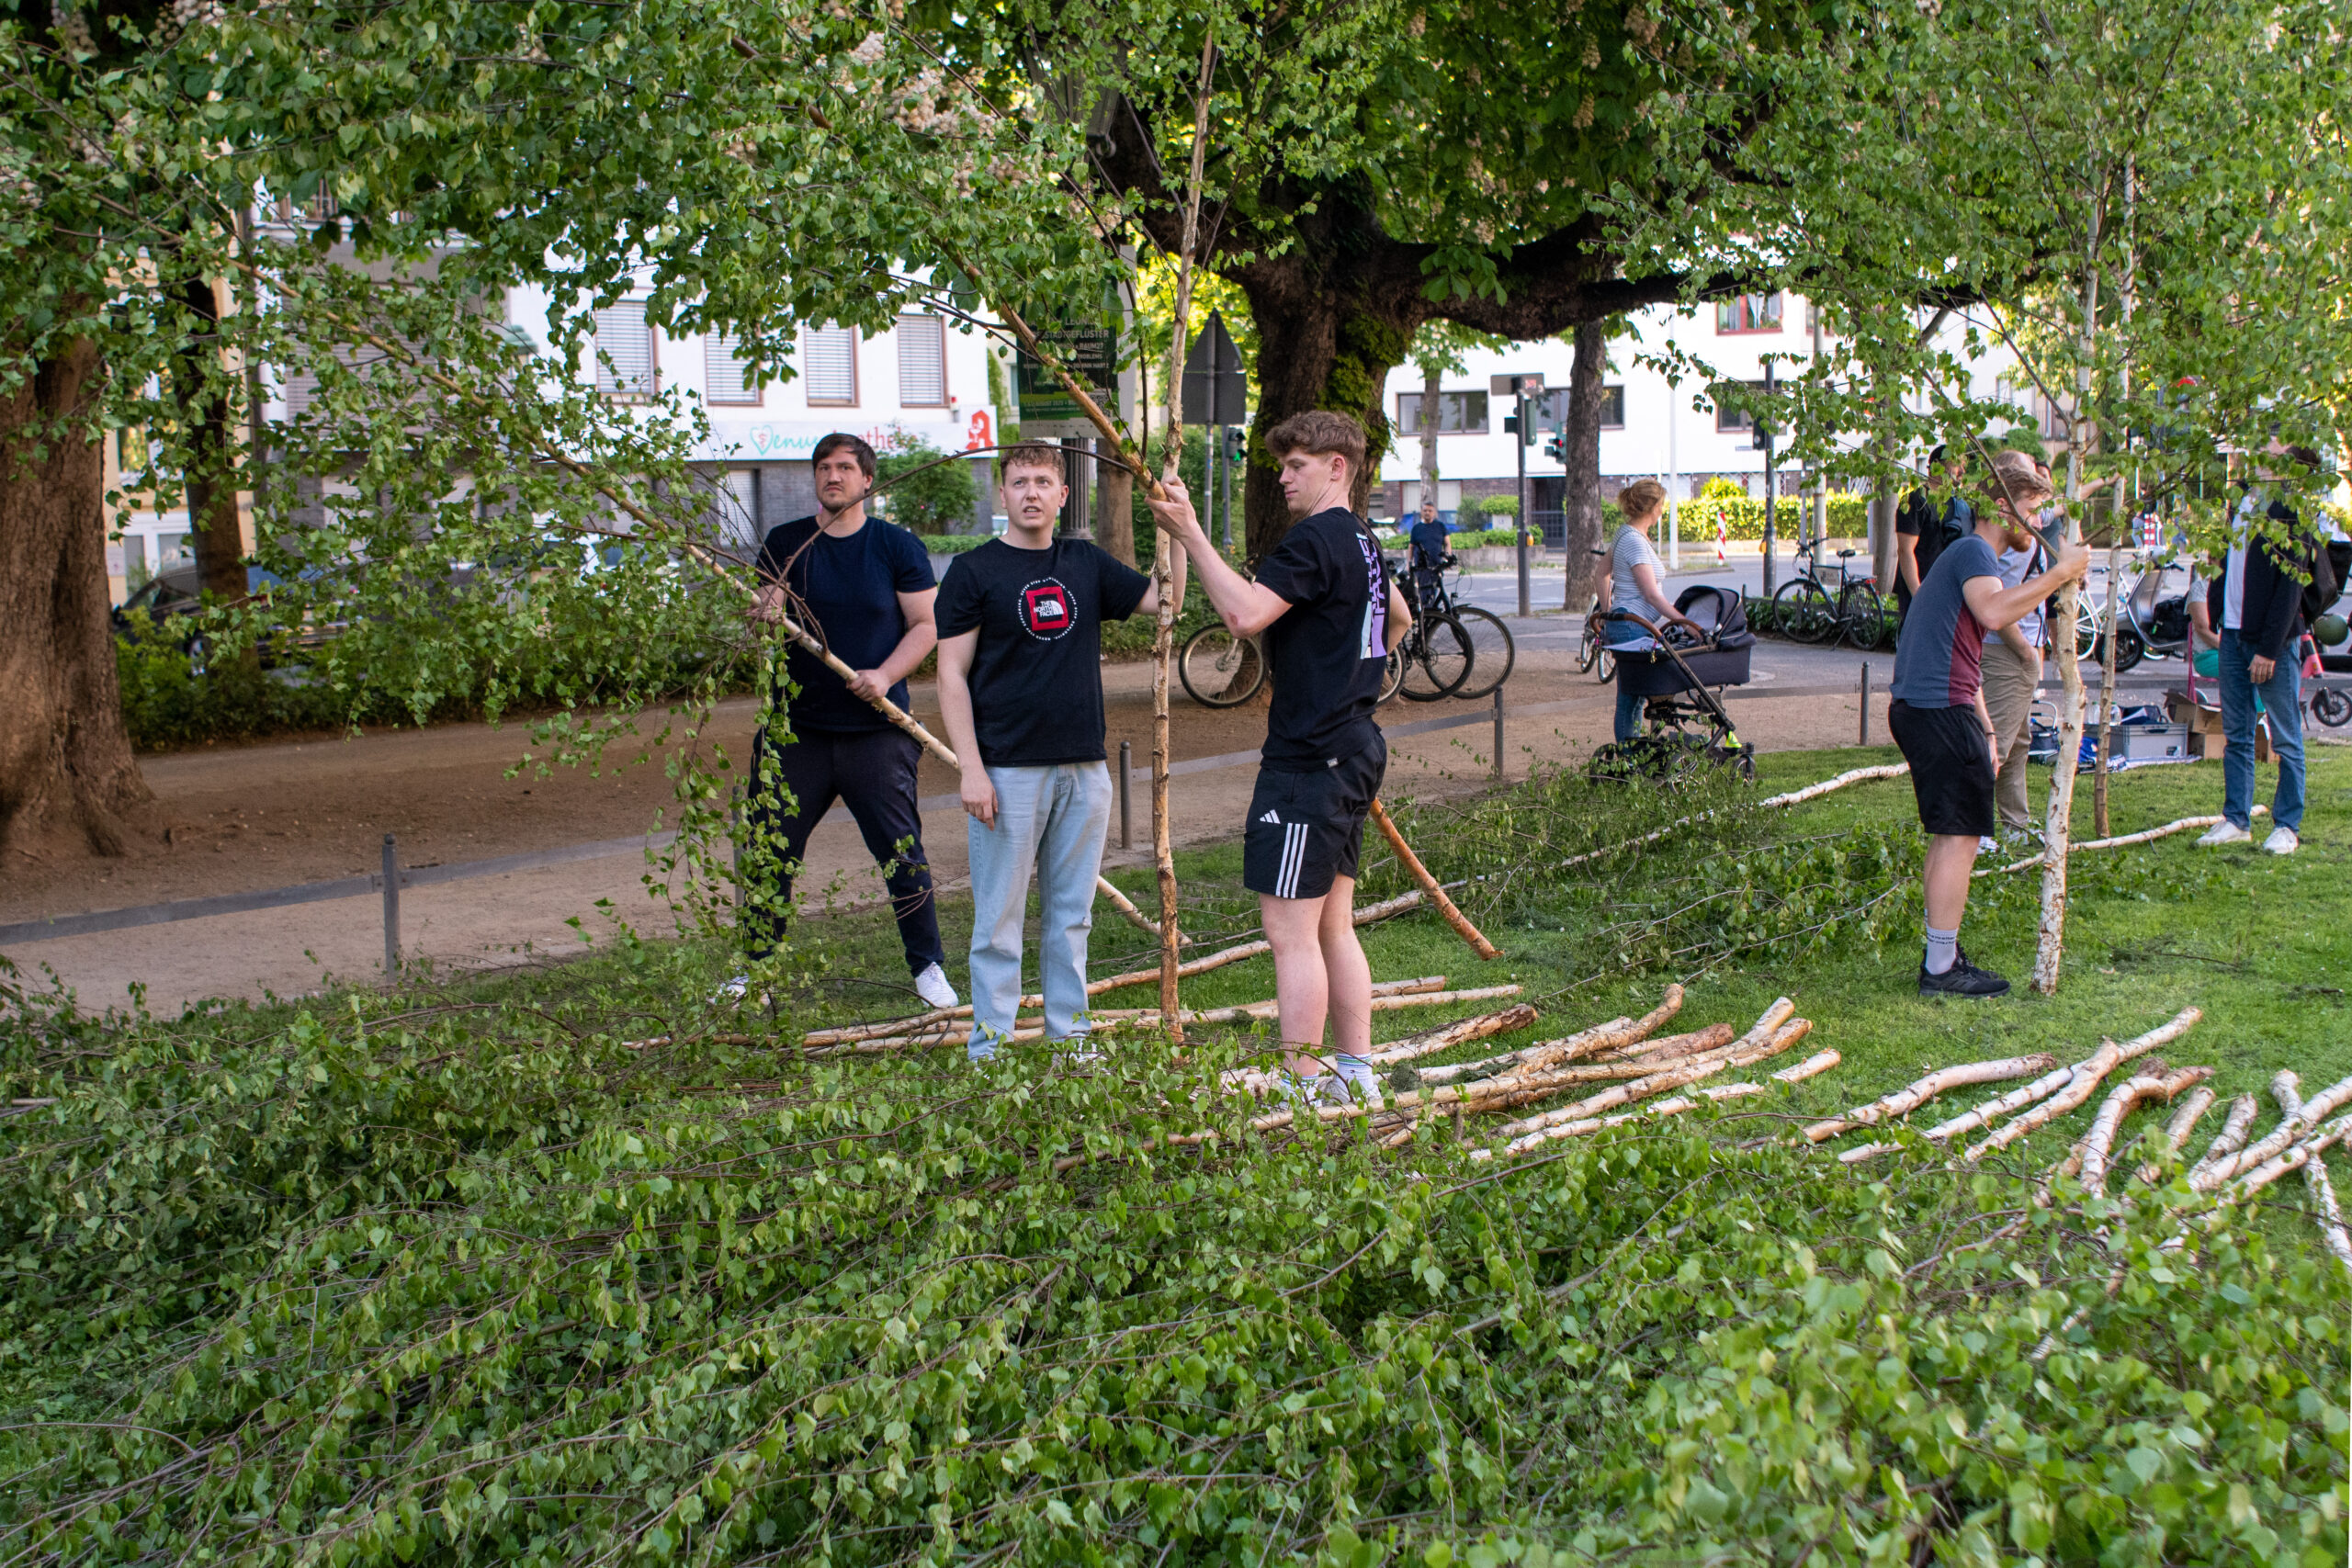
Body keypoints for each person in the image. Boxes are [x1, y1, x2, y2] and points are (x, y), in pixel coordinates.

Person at [1149, 411, 1413, 1108]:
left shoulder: (1316, 537)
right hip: (1354, 746)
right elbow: (1402, 618)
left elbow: (1242, 616)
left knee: (1289, 931)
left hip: (1309, 759)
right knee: (1333, 923)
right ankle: (1354, 1070)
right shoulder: (1361, 539)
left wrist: (1190, 533)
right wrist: (1350, 668)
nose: (1284, 475)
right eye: (1282, 463)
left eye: (1298, 463)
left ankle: (1301, 1085)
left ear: (1339, 467)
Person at [934, 442, 1183, 1059]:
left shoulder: (1085, 563)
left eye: (1044, 481)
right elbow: (949, 675)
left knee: (1072, 915)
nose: (1031, 493)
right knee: (999, 919)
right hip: (1006, 770)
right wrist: (971, 768)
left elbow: (1165, 600)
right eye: (1019, 481)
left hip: (1084, 768)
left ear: (1064, 494)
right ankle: (989, 1046)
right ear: (1002, 493)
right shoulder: (973, 571)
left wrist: (1175, 527)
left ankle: (1070, 1038)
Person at [737, 433, 956, 1009]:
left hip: (877, 732)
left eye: (843, 468)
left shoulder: (895, 545)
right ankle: (756, 972)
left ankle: (928, 968)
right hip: (795, 731)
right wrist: (765, 612)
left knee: (901, 853)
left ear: (867, 480)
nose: (831, 477)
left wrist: (884, 675)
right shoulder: (786, 542)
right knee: (770, 853)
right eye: (823, 468)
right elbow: (767, 615)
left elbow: (926, 627)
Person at [1886, 449, 2088, 998]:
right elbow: (1995, 617)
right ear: (2004, 505)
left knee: (1948, 836)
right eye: (2032, 507)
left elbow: (1962, 650)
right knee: (1960, 838)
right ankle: (1942, 969)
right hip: (1936, 708)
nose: (2039, 522)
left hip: (1929, 706)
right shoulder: (1976, 550)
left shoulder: (1963, 556)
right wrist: (2062, 572)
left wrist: (1990, 731)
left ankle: (1941, 954)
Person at [2195, 447, 2321, 856]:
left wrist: (2269, 647)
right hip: (2232, 634)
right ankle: (2237, 819)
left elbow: (2291, 587)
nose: (2264, 448)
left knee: (2285, 737)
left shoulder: (2290, 507)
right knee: (2237, 734)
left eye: (2274, 445)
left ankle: (2287, 826)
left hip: (2272, 643)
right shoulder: (2244, 498)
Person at [1600, 479, 1706, 742]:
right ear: (1653, 507)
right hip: (1631, 627)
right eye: (1661, 504)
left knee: (1636, 693)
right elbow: (1651, 594)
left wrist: (1608, 612)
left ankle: (1637, 750)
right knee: (1631, 696)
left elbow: (1600, 573)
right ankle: (1628, 756)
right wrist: (1684, 622)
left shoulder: (1625, 535)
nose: (1663, 510)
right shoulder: (1634, 541)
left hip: (1630, 624)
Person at [1978, 530, 2046, 846]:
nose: (2042, 514)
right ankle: (1971, 829)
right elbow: (1997, 607)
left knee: (2018, 742)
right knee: (1995, 744)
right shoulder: (2019, 544)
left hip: (2021, 650)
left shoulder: (2031, 536)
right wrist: (2024, 651)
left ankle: (2014, 824)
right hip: (2007, 652)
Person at [1894, 446, 1973, 627]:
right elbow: (1905, 550)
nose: (1962, 471)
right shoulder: (1917, 500)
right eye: (1957, 464)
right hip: (1923, 592)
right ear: (1937, 467)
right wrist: (1918, 594)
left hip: (1952, 593)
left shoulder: (1960, 503)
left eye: (1964, 465)